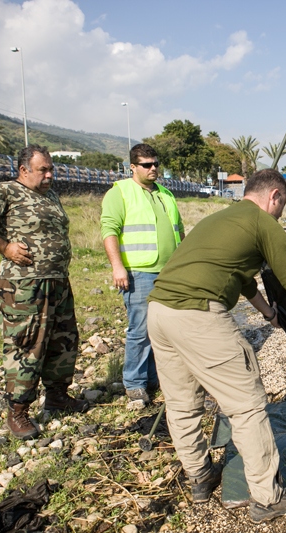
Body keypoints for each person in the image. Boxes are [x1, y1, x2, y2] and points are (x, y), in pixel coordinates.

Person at [146, 169, 286, 523]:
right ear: (275, 197)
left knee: (181, 403)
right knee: (247, 405)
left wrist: (269, 313)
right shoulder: (264, 223)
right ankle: (268, 498)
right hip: (197, 315)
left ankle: (201, 476)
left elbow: (239, 278)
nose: (282, 213)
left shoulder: (222, 218)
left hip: (159, 311)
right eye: (281, 206)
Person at [0, 145, 89, 440]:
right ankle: (17, 411)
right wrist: (4, 247)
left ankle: (57, 398)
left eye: (51, 168)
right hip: (24, 285)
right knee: (27, 344)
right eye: (43, 169)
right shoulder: (5, 191)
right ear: (23, 170)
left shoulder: (51, 195)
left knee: (62, 340)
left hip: (56, 281)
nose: (49, 174)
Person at [100, 143, 184, 404]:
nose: (153, 169)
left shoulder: (165, 194)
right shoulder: (120, 193)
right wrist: (117, 266)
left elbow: (179, 232)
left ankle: (153, 378)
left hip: (169, 271)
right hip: (139, 273)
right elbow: (109, 230)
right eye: (147, 165)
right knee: (140, 330)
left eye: (156, 164)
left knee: (163, 328)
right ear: (133, 167)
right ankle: (135, 383)